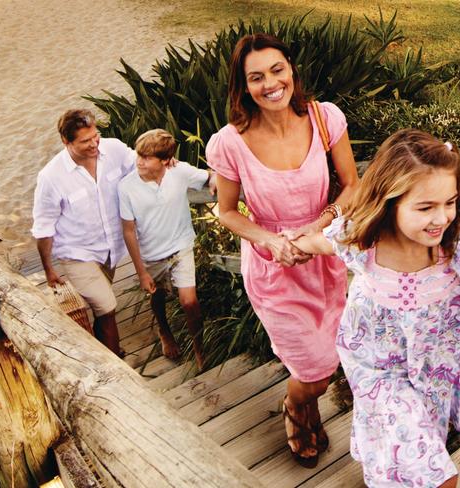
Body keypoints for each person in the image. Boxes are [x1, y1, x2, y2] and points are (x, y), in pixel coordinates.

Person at [288, 129, 460, 487]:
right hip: (377, 372)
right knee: (437, 476)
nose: (441, 218)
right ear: (391, 202)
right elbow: (318, 242)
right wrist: (294, 244)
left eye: (449, 202)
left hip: (433, 373)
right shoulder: (362, 241)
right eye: (425, 207)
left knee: (410, 459)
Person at [206, 33, 359, 466]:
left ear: (291, 69)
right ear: (244, 85)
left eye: (277, 70)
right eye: (256, 77)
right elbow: (227, 212)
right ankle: (295, 409)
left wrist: (321, 223)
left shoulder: (324, 117)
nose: (270, 83)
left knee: (328, 362)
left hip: (324, 258)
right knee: (316, 368)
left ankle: (306, 408)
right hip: (273, 267)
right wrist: (271, 240)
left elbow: (352, 185)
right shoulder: (229, 142)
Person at [32, 109, 136, 357]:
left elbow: (140, 165)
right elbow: (44, 226)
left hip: (111, 248)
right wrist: (49, 269)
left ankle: (102, 351)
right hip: (76, 252)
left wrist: (169, 163)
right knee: (107, 306)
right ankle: (116, 365)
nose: (94, 144)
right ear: (66, 142)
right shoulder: (51, 177)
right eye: (85, 141)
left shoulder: (115, 149)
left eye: (95, 136)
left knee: (101, 307)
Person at [118, 129, 214, 370]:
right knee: (157, 296)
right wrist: (141, 272)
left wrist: (214, 181)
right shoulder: (126, 187)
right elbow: (128, 230)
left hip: (181, 246)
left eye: (147, 157)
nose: (139, 161)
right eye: (139, 155)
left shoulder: (179, 172)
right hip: (151, 253)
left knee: (189, 302)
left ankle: (199, 348)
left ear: (164, 161)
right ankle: (164, 329)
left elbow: (209, 176)